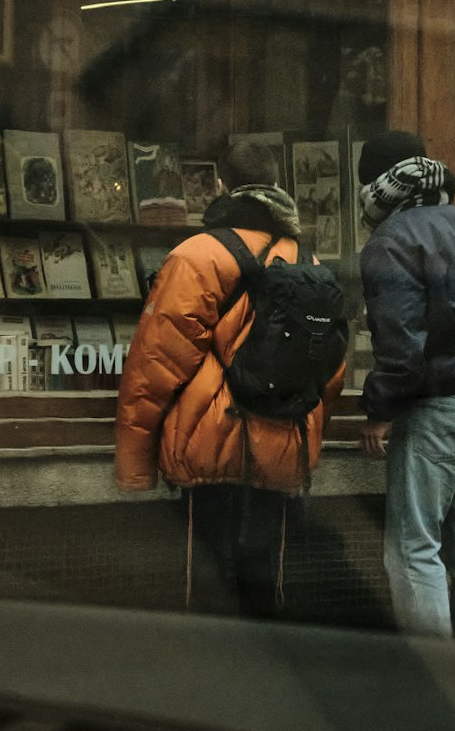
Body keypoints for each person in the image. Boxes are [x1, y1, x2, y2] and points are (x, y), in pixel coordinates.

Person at [115, 139, 344, 616]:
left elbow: (154, 369)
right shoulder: (309, 261)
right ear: (277, 185)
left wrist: (135, 468)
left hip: (207, 441)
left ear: (219, 185)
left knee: (206, 579)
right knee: (264, 581)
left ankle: (214, 675)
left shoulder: (196, 256)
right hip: (282, 443)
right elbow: (331, 369)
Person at [357, 131, 455, 642]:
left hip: (433, 408)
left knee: (413, 544)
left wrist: (380, 409)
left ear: (379, 186)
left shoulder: (392, 239)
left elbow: (400, 348)